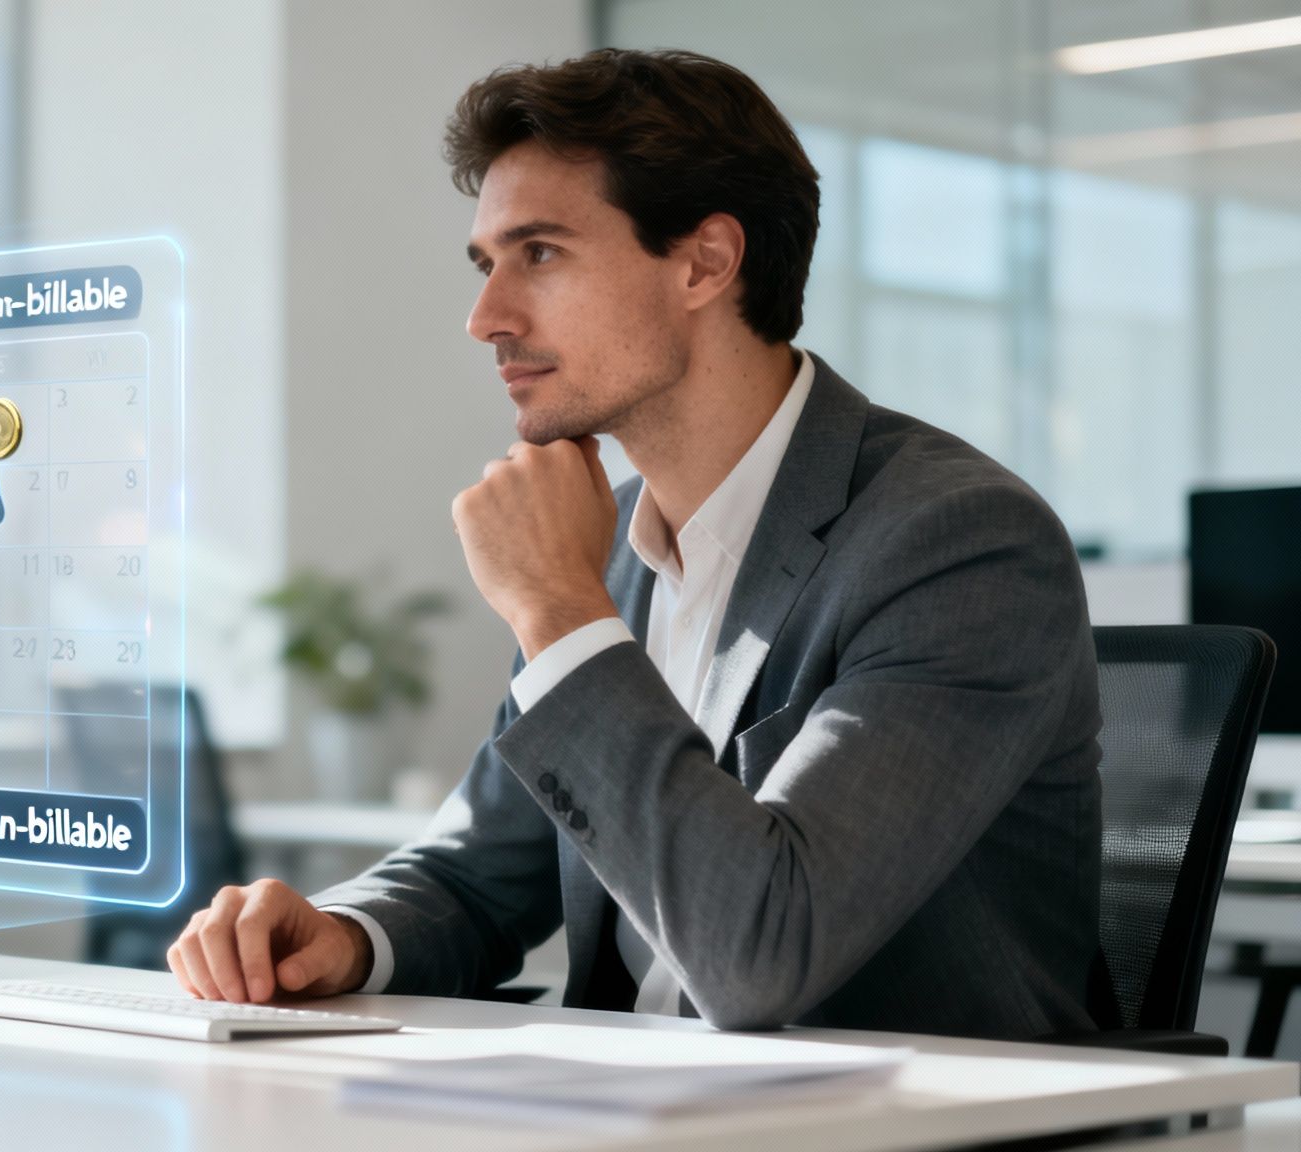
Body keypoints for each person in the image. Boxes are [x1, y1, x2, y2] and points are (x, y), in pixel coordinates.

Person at [167, 48, 1106, 1039]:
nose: (485, 317)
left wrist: (557, 612)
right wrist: (343, 934)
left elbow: (763, 950)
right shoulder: (607, 544)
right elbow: (483, 870)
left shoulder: (957, 543)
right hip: (632, 1094)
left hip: (893, 1106)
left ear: (705, 262)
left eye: (539, 253)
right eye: (487, 264)